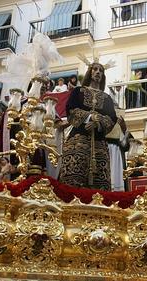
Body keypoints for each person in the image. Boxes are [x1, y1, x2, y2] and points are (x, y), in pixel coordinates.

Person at [59, 60, 118, 191]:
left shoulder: (107, 98)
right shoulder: (78, 91)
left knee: (99, 187)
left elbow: (112, 118)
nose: (98, 72)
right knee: (73, 181)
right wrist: (90, 116)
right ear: (90, 72)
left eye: (101, 70)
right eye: (95, 69)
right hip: (78, 140)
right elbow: (71, 109)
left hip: (99, 144)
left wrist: (98, 122)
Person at [107, 115, 130, 191]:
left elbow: (126, 146)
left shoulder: (119, 126)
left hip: (117, 154)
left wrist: (124, 129)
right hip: (102, 149)